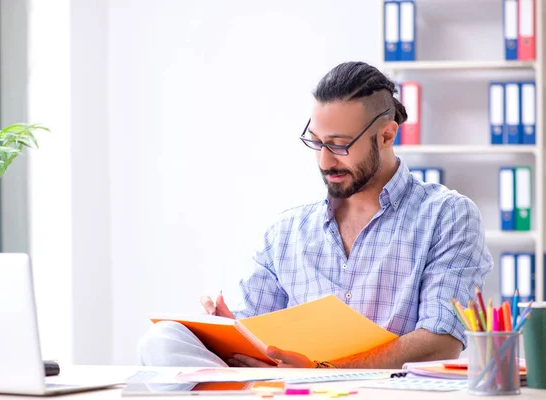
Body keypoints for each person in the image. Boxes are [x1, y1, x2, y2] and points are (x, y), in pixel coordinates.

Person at [137, 61, 493, 371]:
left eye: (339, 145)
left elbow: (441, 341)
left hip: (385, 390)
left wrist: (321, 370)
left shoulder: (447, 216)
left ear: (386, 136)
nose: (325, 162)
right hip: (286, 389)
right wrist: (228, 331)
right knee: (163, 338)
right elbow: (254, 338)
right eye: (316, 142)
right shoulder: (287, 230)